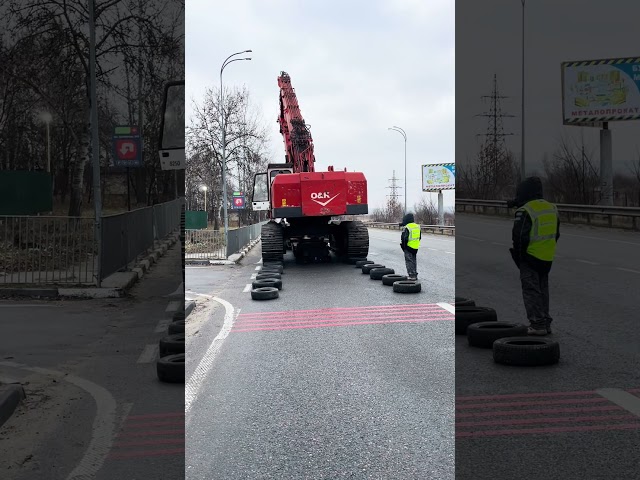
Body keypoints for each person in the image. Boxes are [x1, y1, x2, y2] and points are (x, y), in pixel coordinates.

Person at [507, 177, 560, 335]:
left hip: (529, 257)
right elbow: (556, 234)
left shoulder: (525, 210)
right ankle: (545, 322)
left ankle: (537, 324)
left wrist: (519, 257)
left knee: (531, 291)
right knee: (543, 290)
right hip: (547, 257)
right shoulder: (552, 208)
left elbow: (519, 237)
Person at [399, 212, 421, 281]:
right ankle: (414, 274)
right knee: (414, 261)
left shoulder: (407, 227)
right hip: (415, 247)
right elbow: (419, 237)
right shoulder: (417, 226)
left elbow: (404, 238)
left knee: (409, 261)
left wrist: (403, 247)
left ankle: (411, 275)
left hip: (408, 247)